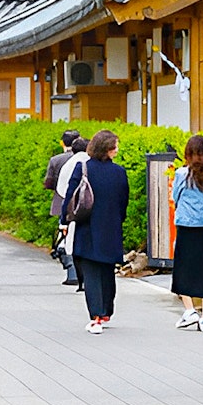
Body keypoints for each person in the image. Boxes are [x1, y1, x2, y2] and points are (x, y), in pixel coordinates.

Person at [63, 130, 128, 335]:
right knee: (107, 271)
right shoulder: (119, 172)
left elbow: (70, 197)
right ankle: (107, 311)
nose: (117, 149)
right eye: (115, 146)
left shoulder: (82, 169)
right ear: (108, 149)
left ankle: (96, 316)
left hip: (87, 226)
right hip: (111, 227)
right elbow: (123, 202)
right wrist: (118, 219)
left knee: (91, 273)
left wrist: (64, 222)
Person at [171, 134, 203, 333]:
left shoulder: (181, 174)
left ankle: (190, 310)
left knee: (185, 268)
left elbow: (176, 197)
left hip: (186, 226)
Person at [44, 128, 81, 285]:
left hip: (62, 201)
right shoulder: (87, 159)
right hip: (83, 203)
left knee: (65, 235)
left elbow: (49, 183)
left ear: (62, 143)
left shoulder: (56, 160)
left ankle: (71, 270)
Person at [55, 136, 89, 292]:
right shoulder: (92, 162)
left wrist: (63, 219)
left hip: (73, 209)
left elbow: (62, 189)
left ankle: (74, 275)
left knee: (71, 242)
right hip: (91, 208)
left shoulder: (68, 164)